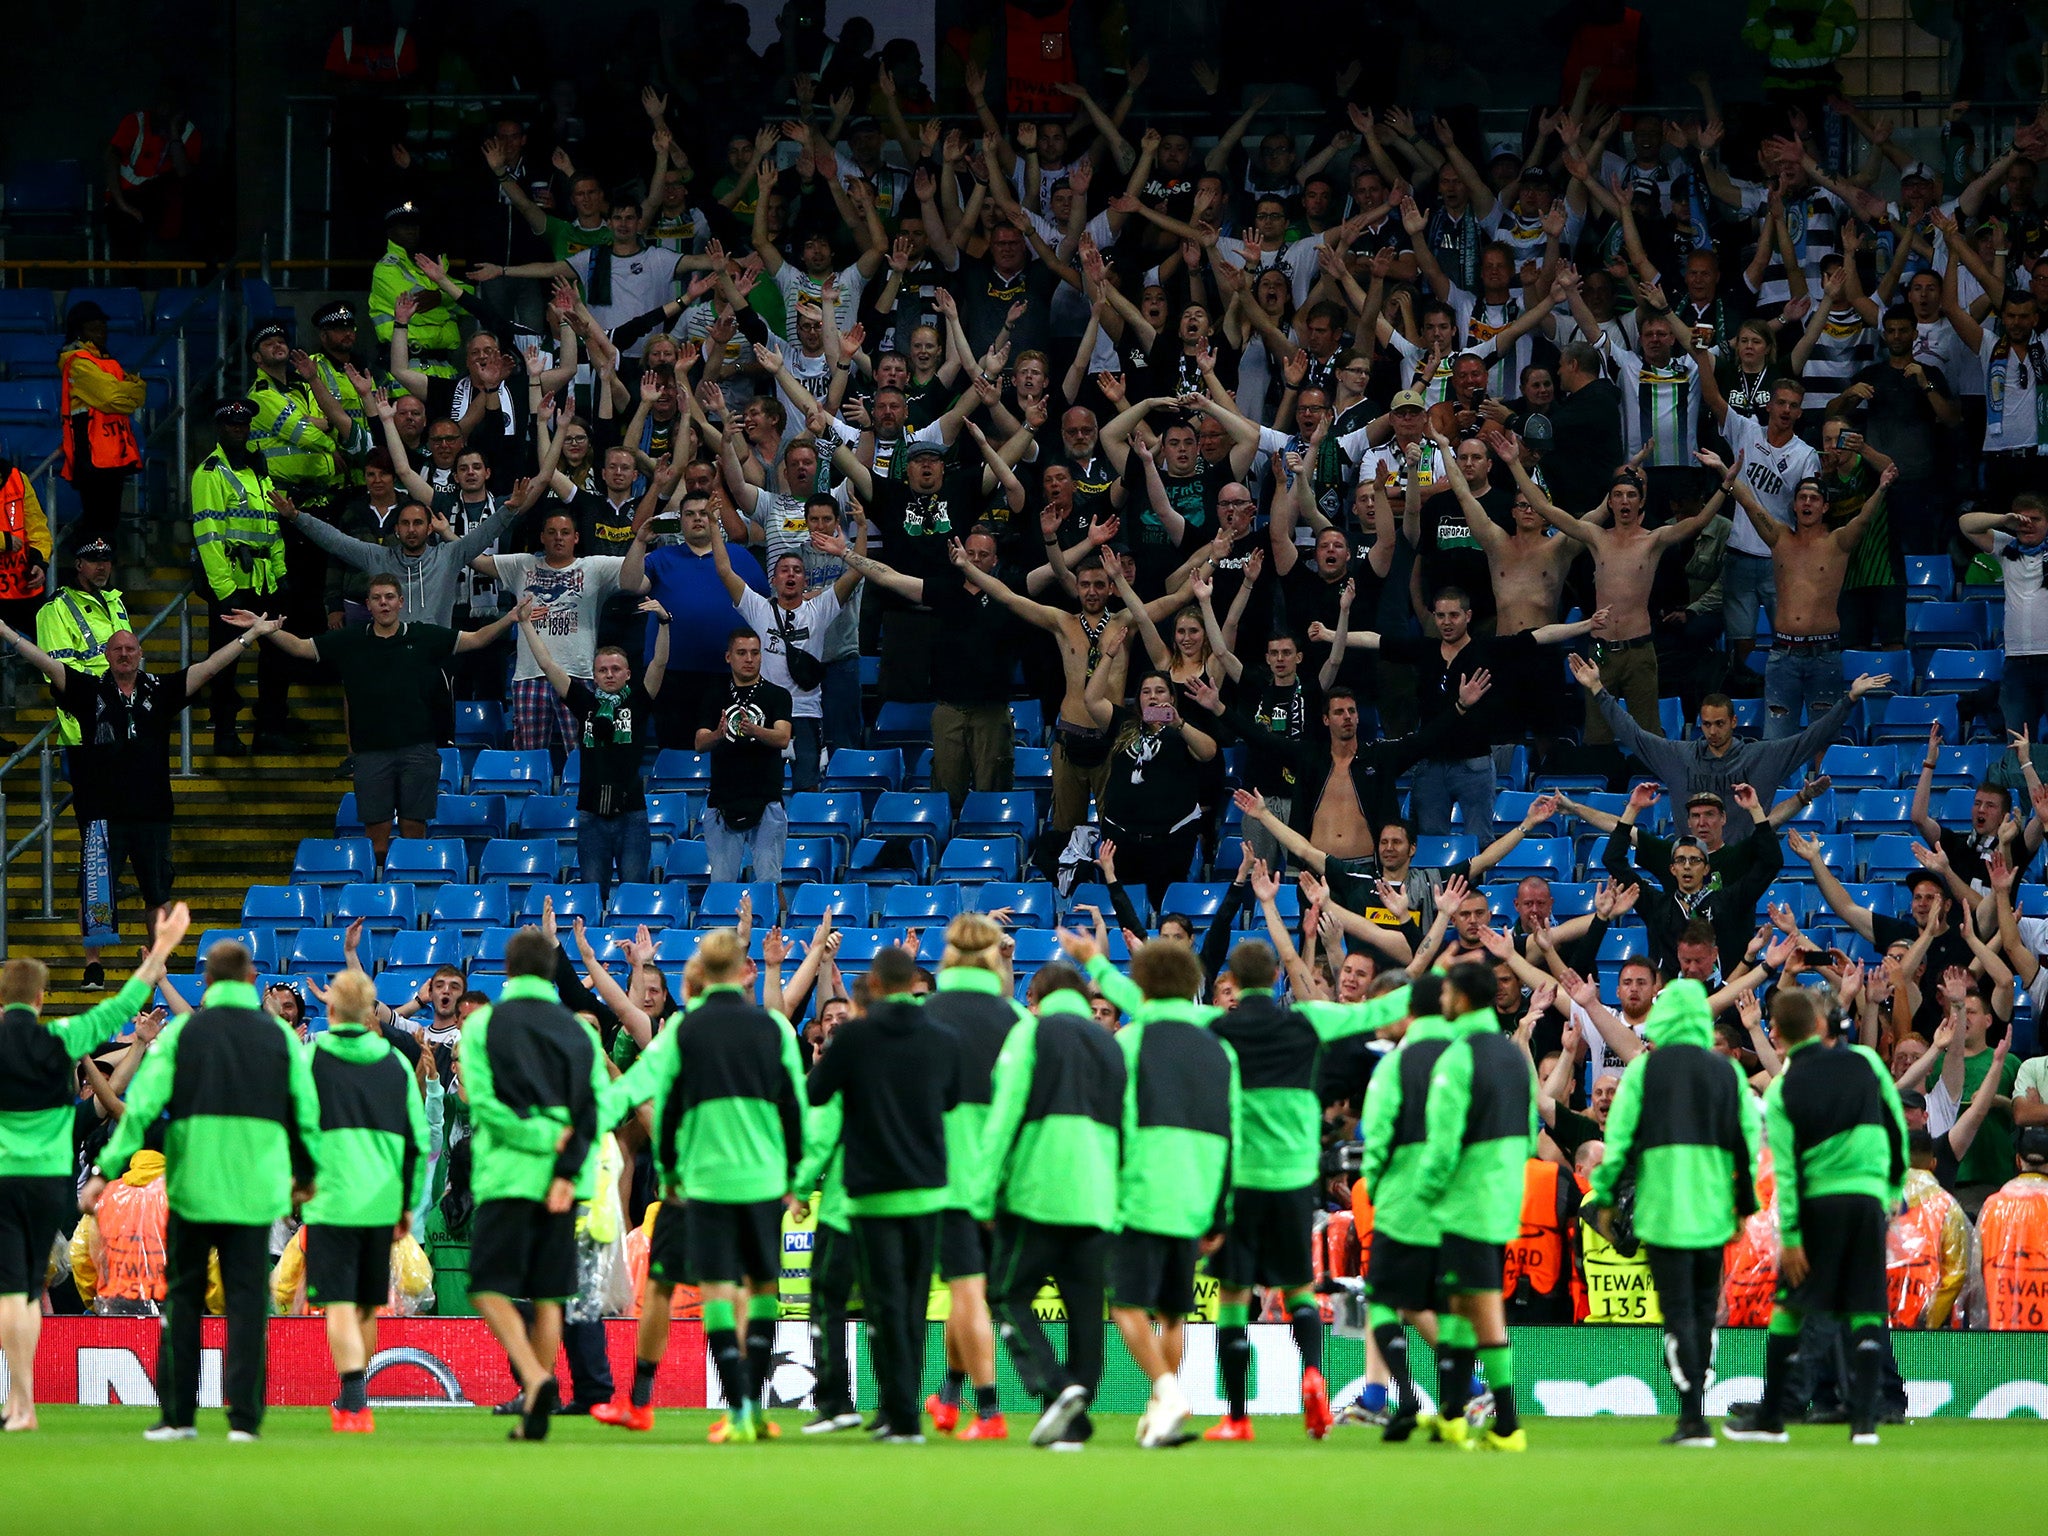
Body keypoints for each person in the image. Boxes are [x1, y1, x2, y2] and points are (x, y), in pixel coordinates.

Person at [83, 936, 322, 1443]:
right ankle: (245, 1422)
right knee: (246, 1302)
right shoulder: (279, 1038)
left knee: (184, 1301)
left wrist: (104, 1169)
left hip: (191, 1189)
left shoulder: (182, 1036)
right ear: (250, 977)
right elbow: (304, 1112)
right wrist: (306, 1175)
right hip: (253, 1192)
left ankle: (176, 1417)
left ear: (207, 981)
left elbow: (141, 1107)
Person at [1197, 925, 1411, 1440]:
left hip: (1243, 1179)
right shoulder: (1308, 1020)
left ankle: (1236, 1416)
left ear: (1233, 980)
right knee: (1296, 1287)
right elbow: (1373, 1013)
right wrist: (1432, 977)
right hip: (1295, 1178)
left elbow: (1164, 1013)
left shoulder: (1217, 1030)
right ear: (1276, 978)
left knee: (1232, 1295)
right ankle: (1312, 1373)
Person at [595, 929, 803, 1444]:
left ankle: (686, 1405)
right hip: (762, 1183)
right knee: (759, 1290)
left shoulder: (683, 1033)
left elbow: (631, 1091)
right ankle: (751, 1407)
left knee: (704, 1289)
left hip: (697, 1185)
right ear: (745, 971)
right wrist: (795, 1176)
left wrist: (573, 1126)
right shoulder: (775, 1030)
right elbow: (796, 1107)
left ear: (700, 975)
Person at [0, 905, 185, 1432]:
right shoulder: (61, 1037)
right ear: (39, 999)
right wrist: (162, 952)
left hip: (3, 1182)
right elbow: (123, 1004)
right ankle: (23, 1400)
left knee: (10, 1291)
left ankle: (22, 1401)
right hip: (48, 1188)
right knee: (32, 1287)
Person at [0, 611, 258, 965]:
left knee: (157, 893)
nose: (124, 654)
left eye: (131, 648)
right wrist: (6, 631)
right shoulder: (90, 691)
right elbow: (45, 662)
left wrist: (252, 635)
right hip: (100, 814)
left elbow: (211, 667)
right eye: (117, 648)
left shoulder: (161, 690)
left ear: (140, 654)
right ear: (107, 655)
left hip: (152, 812)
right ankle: (93, 966)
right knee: (95, 895)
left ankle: (157, 964)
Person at [1070, 933, 1241, 1448]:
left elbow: (1113, 1125)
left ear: (1140, 984)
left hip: (1144, 1188)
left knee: (1125, 1304)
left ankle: (1168, 1392)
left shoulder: (1130, 1042)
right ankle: (1161, 1412)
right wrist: (1220, 1209)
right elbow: (1233, 1129)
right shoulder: (1220, 1050)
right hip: (1197, 1189)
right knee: (1172, 1312)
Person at [1725, 986, 1907, 1446]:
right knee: (1866, 1305)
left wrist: (1791, 1236)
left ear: (1779, 1033)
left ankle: (1772, 1415)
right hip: (1868, 1200)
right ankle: (1865, 1424)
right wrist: (1890, 1189)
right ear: (1820, 1024)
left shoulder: (1785, 1086)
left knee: (1791, 1305)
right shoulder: (1866, 1063)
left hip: (1820, 1205)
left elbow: (1786, 1172)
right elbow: (1896, 1129)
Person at [235, 581, 534, 860]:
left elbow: (477, 638)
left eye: (389, 597)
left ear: (401, 602)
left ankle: (410, 894)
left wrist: (509, 619)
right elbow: (302, 648)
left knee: (414, 836)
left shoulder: (425, 635)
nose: (384, 603)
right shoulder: (351, 640)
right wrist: (265, 631)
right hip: (370, 754)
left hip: (418, 751)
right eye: (377, 598)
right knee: (375, 842)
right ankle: (377, 899)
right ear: (368, 605)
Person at [1584, 979, 1761, 1447]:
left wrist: (1604, 1192)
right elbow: (1746, 1139)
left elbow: (1618, 1143)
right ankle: (1696, 1412)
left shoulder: (1644, 1071)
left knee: (1677, 1311)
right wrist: (1743, 1203)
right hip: (1711, 1207)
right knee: (1703, 1309)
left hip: (1662, 1208)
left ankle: (1692, 1419)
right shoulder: (1726, 1073)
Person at [804, 945, 959, 1444]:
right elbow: (953, 1098)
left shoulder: (853, 1038)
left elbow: (816, 1093)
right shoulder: (942, 1038)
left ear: (874, 982)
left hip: (871, 1194)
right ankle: (903, 1412)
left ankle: (898, 1416)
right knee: (912, 1306)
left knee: (883, 1303)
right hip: (928, 1192)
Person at [458, 927, 607, 1443]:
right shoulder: (580, 1032)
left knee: (486, 1286)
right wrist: (565, 1168)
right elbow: (594, 1109)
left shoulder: (483, 1028)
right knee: (550, 1295)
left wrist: (536, 1134)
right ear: (552, 971)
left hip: (508, 1176)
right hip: (561, 1182)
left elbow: (484, 1105)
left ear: (507, 969)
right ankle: (533, 1413)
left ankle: (537, 1379)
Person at [965, 959, 1123, 1444]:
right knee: (1084, 1308)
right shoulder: (1113, 1047)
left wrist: (983, 1192)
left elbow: (1003, 1116)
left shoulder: (1029, 1035)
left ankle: (1053, 1387)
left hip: (1037, 1190)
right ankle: (1073, 1422)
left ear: (1036, 997)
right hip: (1097, 1195)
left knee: (1007, 1294)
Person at [1412, 959, 1538, 1451]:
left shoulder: (1457, 1057)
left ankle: (1508, 1425)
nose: (1441, 1001)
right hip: (1504, 1192)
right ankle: (1451, 1415)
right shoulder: (1512, 1056)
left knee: (1481, 1309)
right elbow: (1529, 1132)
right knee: (1461, 1306)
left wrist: (1425, 1191)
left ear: (1460, 999)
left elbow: (1442, 1143)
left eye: (1446, 994)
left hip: (1466, 1198)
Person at [304, 969, 430, 1435]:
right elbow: (418, 1140)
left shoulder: (311, 1058)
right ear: (371, 1012)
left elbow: (293, 1124)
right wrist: (405, 1204)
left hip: (331, 1198)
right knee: (364, 1306)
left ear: (331, 1010)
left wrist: (298, 1182)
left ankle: (355, 1403)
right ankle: (353, 1394)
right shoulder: (396, 1064)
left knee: (337, 1302)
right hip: (381, 1202)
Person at [1567, 661, 1889, 842]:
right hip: (1689, 866)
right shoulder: (1679, 756)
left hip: (1741, 869)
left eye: (1720, 724)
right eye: (1706, 725)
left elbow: (1811, 737)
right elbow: (1632, 735)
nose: (1713, 731)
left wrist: (1849, 699)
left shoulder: (1762, 757)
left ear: (1734, 721)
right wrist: (1598, 689)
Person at [819, 525, 1017, 812]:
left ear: (995, 560)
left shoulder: (1009, 595)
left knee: (994, 791)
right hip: (949, 708)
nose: (975, 559)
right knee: (946, 792)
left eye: (983, 554)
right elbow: (889, 577)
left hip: (992, 709)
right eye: (969, 553)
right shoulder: (945, 590)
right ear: (957, 555)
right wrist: (845, 553)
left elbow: (1053, 575)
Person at [920, 914, 1024, 1440]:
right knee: (973, 1292)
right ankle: (951, 1392)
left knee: (966, 1292)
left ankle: (988, 1409)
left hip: (951, 1175)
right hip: (1008, 1179)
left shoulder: (927, 1016)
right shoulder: (1017, 1022)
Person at [1726, 465, 1897, 739]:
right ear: (1793, 505)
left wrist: (1881, 487)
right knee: (1776, 742)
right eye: (1802, 497)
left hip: (1824, 655)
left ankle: (1821, 783)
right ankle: (1780, 784)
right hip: (1783, 655)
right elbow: (1750, 505)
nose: (1807, 503)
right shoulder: (1779, 538)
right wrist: (1728, 475)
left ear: (1825, 507)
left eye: (1814, 498)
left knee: (1823, 738)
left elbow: (1864, 520)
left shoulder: (1837, 542)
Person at [517, 599, 667, 899]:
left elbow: (659, 663)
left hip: (632, 815)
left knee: (634, 897)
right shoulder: (585, 703)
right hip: (591, 817)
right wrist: (525, 624)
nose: (609, 674)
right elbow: (547, 665)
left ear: (627, 674)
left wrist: (664, 623)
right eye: (602, 670)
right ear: (594, 675)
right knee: (591, 900)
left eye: (616, 669)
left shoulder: (637, 703)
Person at [709, 514, 861, 794]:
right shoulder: (759, 609)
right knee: (763, 791)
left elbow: (856, 572)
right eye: (784, 570)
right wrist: (713, 527)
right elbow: (723, 570)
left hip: (806, 714)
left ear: (805, 579)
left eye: (797, 570)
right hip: (765, 715)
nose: (791, 575)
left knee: (807, 788)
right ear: (774, 579)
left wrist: (860, 530)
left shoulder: (819, 609)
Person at [476, 508, 626, 761]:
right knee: (527, 758)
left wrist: (643, 539)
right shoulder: (522, 565)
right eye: (552, 532)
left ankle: (581, 800)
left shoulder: (594, 566)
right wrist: (447, 533)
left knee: (584, 754)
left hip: (578, 675)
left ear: (576, 537)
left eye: (565, 533)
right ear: (542, 537)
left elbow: (639, 568)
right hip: (529, 676)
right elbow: (475, 560)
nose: (559, 538)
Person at [621, 493, 769, 748]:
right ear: (680, 521)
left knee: (728, 748)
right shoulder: (662, 557)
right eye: (690, 514)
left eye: (704, 513)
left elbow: (763, 606)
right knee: (674, 749)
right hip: (671, 674)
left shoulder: (741, 557)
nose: (698, 519)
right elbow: (630, 584)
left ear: (716, 518)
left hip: (729, 674)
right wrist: (640, 541)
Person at [275, 488, 527, 629]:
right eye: (404, 524)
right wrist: (297, 517)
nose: (411, 529)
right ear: (396, 530)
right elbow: (336, 541)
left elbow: (482, 536)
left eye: (418, 523)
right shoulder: (379, 558)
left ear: (430, 528)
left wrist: (510, 509)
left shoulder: (448, 555)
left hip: (435, 655)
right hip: (391, 654)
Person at [190, 398, 287, 756]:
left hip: (263, 580)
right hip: (232, 581)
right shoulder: (210, 473)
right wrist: (225, 590)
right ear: (220, 428)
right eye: (232, 425)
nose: (239, 430)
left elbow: (270, 526)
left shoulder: (257, 471)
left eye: (243, 425)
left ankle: (269, 729)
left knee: (276, 659)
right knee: (225, 662)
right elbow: (208, 536)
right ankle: (225, 733)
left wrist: (280, 571)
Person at [695, 627, 795, 888]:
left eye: (754, 653)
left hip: (766, 801)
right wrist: (719, 733)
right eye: (741, 653)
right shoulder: (714, 694)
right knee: (721, 883)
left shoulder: (777, 695)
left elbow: (783, 737)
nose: (749, 659)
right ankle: (724, 929)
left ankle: (770, 929)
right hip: (723, 801)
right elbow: (699, 742)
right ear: (728, 657)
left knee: (769, 881)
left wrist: (754, 730)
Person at [1957, 495, 2048, 734]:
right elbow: (1965, 523)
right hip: (2017, 663)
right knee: (2016, 740)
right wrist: (2004, 520)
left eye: (2035, 519)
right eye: (2022, 519)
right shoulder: (2006, 547)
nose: (2028, 524)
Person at [57, 303, 144, 545]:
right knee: (96, 523)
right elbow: (113, 397)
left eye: (103, 328)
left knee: (109, 522)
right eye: (94, 328)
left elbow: (139, 392)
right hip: (90, 455)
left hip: (116, 453)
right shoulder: (77, 361)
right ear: (79, 331)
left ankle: (104, 574)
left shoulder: (108, 362)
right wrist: (124, 393)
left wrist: (123, 394)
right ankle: (89, 574)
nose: (101, 333)